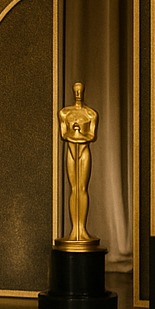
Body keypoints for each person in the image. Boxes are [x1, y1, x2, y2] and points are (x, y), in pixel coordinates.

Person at [56, 82, 99, 248]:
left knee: (82, 188)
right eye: (76, 91)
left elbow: (92, 136)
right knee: (74, 189)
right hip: (71, 151)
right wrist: (76, 133)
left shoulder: (90, 114)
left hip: (83, 151)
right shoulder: (64, 113)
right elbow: (63, 134)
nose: (78, 94)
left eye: (80, 91)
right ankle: (75, 229)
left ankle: (82, 228)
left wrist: (76, 132)